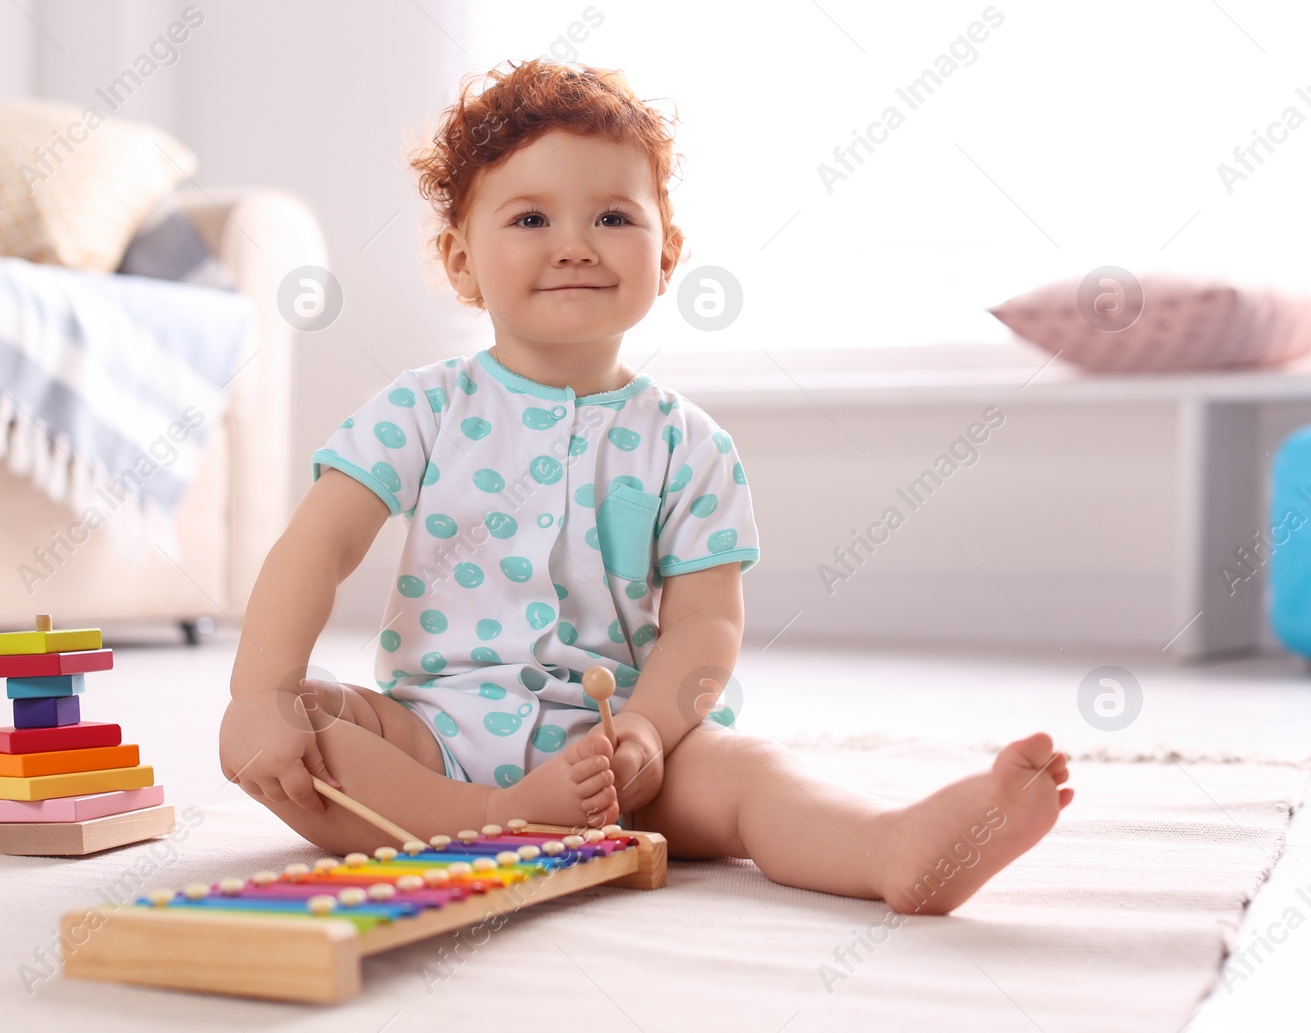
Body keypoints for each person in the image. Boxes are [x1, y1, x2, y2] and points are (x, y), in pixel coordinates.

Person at [219, 59, 1072, 914]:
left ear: (666, 255)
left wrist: (650, 732)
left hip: (614, 757)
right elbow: (319, 544)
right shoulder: (423, 407)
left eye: (614, 216)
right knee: (301, 735)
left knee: (749, 774)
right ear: (461, 261)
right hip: (435, 738)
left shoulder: (688, 444)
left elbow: (706, 622)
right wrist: (260, 695)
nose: (575, 243)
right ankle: (490, 818)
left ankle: (890, 846)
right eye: (529, 217)